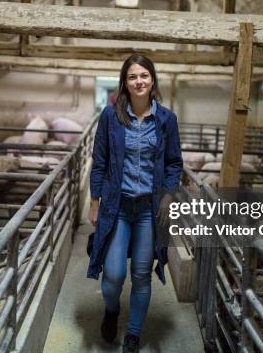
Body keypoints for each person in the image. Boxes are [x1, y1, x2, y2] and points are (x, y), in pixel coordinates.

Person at [87, 54, 183, 352]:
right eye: (132, 77)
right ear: (125, 83)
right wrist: (94, 201)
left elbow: (174, 164)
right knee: (114, 274)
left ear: (152, 80)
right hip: (118, 207)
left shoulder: (166, 119)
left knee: (141, 273)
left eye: (144, 75)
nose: (139, 81)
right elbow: (100, 161)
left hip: (148, 210)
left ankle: (133, 334)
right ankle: (112, 309)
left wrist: (168, 196)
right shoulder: (110, 117)